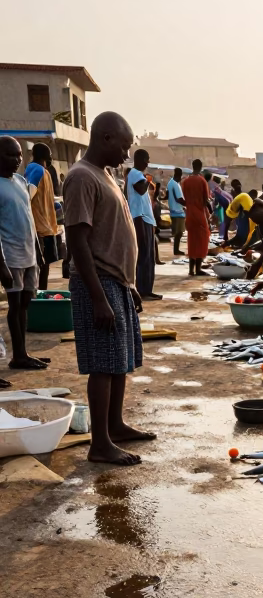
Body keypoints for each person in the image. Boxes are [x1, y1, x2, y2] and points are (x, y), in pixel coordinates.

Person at [63, 111, 156, 466]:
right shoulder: (81, 177)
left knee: (119, 361)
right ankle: (99, 443)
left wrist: (128, 284)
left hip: (116, 281)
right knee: (102, 364)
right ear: (105, 138)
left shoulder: (106, 175)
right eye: (124, 146)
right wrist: (99, 298)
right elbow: (79, 242)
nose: (126, 154)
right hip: (96, 284)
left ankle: (115, 425)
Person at [0, 136, 46, 371]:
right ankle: (18, 355)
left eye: (19, 154)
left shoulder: (19, 181)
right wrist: (1, 265)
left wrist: (38, 249)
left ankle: (23, 352)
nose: (17, 160)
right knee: (15, 306)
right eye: (10, 155)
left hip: (29, 256)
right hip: (11, 257)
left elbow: (28, 218)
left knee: (26, 303)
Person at [25, 142, 60, 291]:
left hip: (46, 225)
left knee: (44, 265)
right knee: (42, 265)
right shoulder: (37, 169)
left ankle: (40, 293)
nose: (51, 156)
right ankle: (39, 295)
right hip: (40, 227)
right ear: (44, 155)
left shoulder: (42, 170)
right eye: (49, 153)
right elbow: (29, 193)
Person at [125, 149, 159, 300]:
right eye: (147, 159)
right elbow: (140, 189)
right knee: (144, 255)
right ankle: (142, 290)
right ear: (140, 159)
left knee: (149, 257)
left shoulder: (136, 175)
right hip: (140, 218)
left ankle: (147, 289)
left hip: (145, 219)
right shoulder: (135, 174)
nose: (148, 163)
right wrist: (147, 179)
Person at [181, 158, 212, 275]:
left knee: (192, 241)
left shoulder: (186, 181)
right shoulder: (202, 180)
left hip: (189, 214)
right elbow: (206, 200)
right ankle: (198, 269)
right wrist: (210, 212)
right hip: (199, 214)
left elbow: (183, 198)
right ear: (200, 167)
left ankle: (191, 270)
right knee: (202, 240)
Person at [166, 167, 186, 255]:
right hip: (178, 211)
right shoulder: (175, 184)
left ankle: (176, 249)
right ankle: (176, 250)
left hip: (174, 210)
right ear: (180, 175)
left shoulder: (170, 183)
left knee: (178, 233)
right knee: (179, 233)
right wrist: (188, 204)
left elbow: (167, 196)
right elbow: (179, 199)